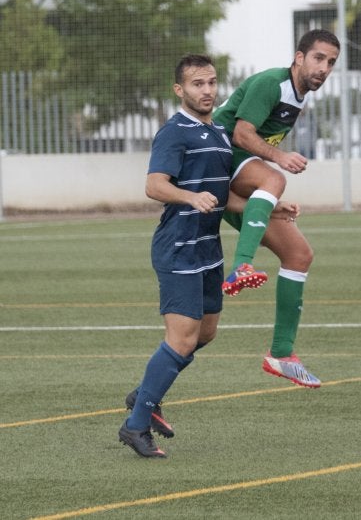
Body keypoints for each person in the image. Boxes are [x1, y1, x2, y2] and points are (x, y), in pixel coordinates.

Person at [119, 53, 233, 458]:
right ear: (179, 90)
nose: (207, 91)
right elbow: (154, 185)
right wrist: (188, 195)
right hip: (179, 247)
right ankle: (135, 426)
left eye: (212, 82)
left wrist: (269, 207)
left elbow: (223, 192)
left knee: (205, 334)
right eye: (198, 84)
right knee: (181, 340)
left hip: (209, 248)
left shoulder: (219, 131)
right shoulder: (175, 131)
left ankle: (146, 391)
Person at [213, 28, 341, 388]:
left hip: (238, 177)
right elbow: (241, 135)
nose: (324, 68)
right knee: (275, 179)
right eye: (318, 58)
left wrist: (269, 205)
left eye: (331, 62)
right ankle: (240, 266)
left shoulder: (299, 96)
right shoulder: (271, 83)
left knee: (299, 254)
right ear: (299, 57)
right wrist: (280, 158)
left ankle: (281, 354)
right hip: (218, 163)